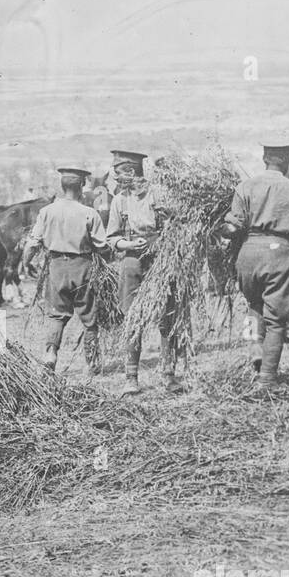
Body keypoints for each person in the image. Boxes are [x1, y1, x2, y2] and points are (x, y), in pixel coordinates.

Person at [218, 138, 289, 389]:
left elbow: (233, 226)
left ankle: (255, 347)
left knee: (253, 303)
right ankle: (267, 379)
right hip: (280, 254)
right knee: (276, 320)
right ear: (287, 160)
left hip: (248, 254)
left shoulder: (245, 186)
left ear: (265, 158)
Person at [104, 150, 182, 395]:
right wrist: (128, 245)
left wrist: (160, 239)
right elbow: (111, 238)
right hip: (132, 263)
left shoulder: (159, 194)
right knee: (132, 318)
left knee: (167, 316)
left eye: (119, 173)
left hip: (160, 260)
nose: (116, 178)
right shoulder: (119, 200)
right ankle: (131, 378)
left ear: (131, 171)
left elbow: (177, 225)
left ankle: (169, 375)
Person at [20, 166, 112, 374]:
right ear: (81, 186)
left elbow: (33, 244)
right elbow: (101, 246)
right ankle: (92, 364)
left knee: (57, 315)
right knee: (89, 316)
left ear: (62, 186)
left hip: (56, 268)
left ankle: (50, 354)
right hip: (83, 268)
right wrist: (110, 257)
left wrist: (26, 264)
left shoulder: (46, 212)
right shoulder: (90, 213)